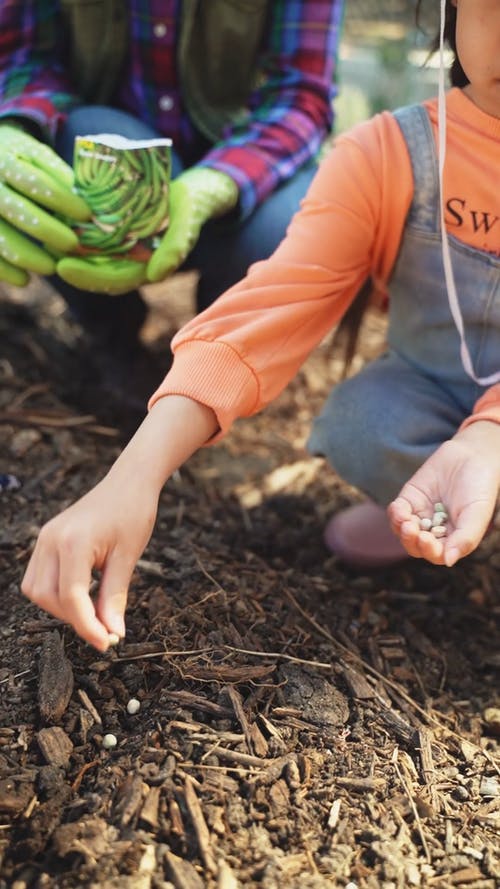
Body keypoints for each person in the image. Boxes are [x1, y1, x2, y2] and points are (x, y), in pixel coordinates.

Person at [21, 0, 500, 652]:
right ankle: (426, 503)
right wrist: (135, 473)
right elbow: (273, 304)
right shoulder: (394, 153)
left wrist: (488, 437)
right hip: (434, 389)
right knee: (364, 423)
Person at [0, 0, 343, 406]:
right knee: (73, 148)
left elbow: (302, 94)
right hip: (111, 153)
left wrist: (218, 182)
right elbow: (25, 56)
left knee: (285, 230)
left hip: (245, 159)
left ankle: (217, 364)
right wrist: (15, 122)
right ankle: (113, 337)